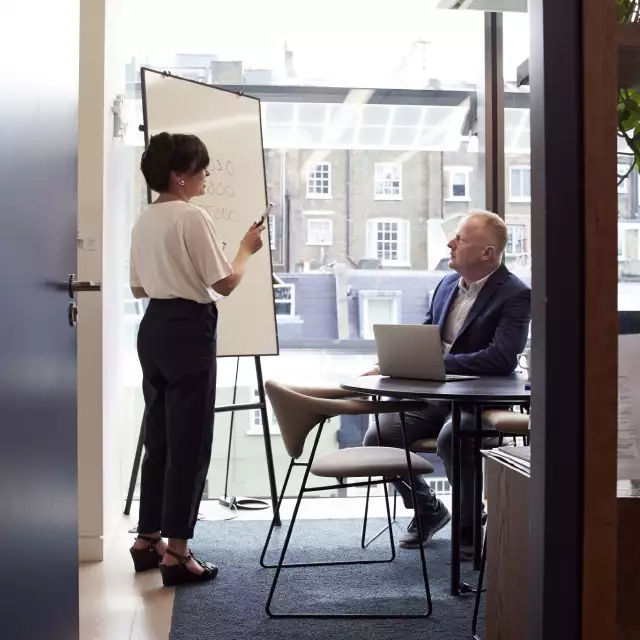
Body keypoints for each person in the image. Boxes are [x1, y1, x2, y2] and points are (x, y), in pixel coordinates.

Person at [128, 132, 264, 586]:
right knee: (190, 440)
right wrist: (245, 250)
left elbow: (138, 288)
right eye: (202, 168)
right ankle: (179, 554)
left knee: (161, 436)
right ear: (180, 175)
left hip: (153, 327)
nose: (207, 175)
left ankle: (147, 540)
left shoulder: (145, 219)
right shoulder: (191, 216)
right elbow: (224, 283)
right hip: (189, 329)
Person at [362, 211, 531, 554]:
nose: (450, 244)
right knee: (378, 436)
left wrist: (436, 363)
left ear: (487, 253)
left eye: (461, 239)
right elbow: (426, 337)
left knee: (453, 437)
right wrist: (393, 362)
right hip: (436, 394)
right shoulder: (444, 286)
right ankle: (428, 509)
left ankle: (469, 523)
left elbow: (500, 357)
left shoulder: (515, 294)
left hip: (481, 400)